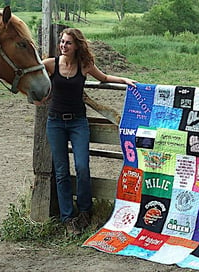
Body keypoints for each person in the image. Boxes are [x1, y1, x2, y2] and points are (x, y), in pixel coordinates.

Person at [42, 28, 137, 235]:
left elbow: (104, 77)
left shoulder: (84, 66)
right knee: (61, 172)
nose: (63, 46)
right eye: (62, 42)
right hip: (55, 123)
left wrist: (125, 81)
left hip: (78, 123)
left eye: (68, 43)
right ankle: (68, 217)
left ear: (77, 45)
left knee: (82, 167)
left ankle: (85, 211)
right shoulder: (50, 64)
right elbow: (31, 74)